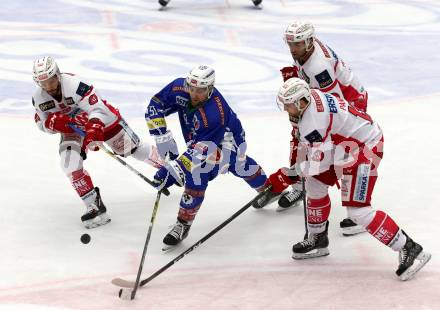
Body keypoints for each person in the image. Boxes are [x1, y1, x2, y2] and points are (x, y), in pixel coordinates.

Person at [264, 77, 431, 281]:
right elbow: (315, 157)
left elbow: (319, 164)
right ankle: (318, 238)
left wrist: (287, 175)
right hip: (342, 144)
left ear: (301, 102)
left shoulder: (312, 120)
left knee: (358, 210)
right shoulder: (309, 102)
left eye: (289, 104)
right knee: (314, 184)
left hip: (364, 147)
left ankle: (410, 248)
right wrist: (292, 172)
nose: (286, 109)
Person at [145, 65, 271, 250]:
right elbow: (156, 104)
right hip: (200, 139)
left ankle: (266, 189)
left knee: (206, 170)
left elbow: (201, 151)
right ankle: (268, 188)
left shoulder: (214, 114)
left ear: (210, 88)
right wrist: (162, 136)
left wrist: (172, 171)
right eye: (192, 88)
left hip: (226, 139)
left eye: (201, 90)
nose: (194, 94)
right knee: (213, 168)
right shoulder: (180, 87)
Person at [32, 56, 162, 229]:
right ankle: (93, 204)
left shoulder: (75, 84)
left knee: (133, 150)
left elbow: (98, 108)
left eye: (51, 80)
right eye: (44, 83)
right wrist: (51, 124)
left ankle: (168, 167)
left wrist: (93, 130)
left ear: (57, 74)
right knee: (69, 163)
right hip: (73, 129)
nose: (49, 86)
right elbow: (42, 123)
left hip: (103, 122)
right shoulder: (38, 98)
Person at [278, 21, 368, 235]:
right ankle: (301, 186)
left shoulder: (319, 67)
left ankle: (358, 212)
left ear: (309, 41)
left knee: (345, 156)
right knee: (304, 141)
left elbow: (332, 102)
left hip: (350, 102)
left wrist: (310, 124)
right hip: (330, 96)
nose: (293, 48)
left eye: (297, 43)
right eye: (290, 43)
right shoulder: (305, 49)